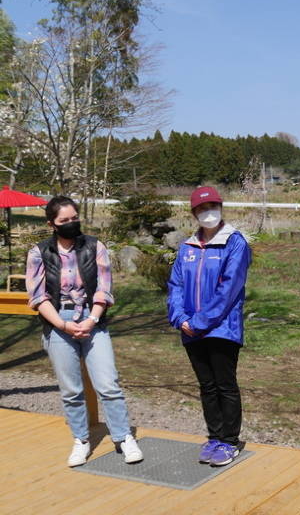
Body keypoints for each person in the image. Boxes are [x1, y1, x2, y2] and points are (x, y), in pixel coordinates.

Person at [26, 196, 143, 467]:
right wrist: (62, 324)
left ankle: (123, 437)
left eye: (74, 218)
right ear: (52, 224)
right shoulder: (39, 252)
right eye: (63, 221)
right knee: (71, 389)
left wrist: (91, 319)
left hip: (93, 319)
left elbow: (104, 288)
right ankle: (81, 439)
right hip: (58, 320)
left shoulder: (95, 246)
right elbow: (37, 296)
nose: (71, 224)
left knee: (108, 384)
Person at [167, 186, 251, 466]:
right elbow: (176, 285)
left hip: (222, 328)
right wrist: (181, 319)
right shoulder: (187, 247)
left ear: (221, 207)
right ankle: (214, 437)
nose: (208, 212)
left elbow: (229, 288)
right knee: (206, 385)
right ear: (194, 213)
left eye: (212, 206)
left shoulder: (235, 242)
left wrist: (202, 321)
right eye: (202, 209)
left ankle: (230, 440)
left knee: (224, 384)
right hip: (191, 329)